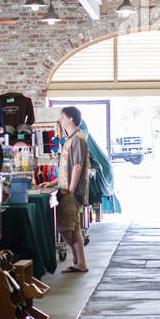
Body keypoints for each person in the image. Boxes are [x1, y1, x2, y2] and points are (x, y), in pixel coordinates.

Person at [57, 106, 89, 272]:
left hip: (71, 192)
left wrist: (70, 190)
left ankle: (79, 261)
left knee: (65, 227)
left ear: (70, 119)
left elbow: (77, 166)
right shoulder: (71, 138)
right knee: (73, 227)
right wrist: (54, 181)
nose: (60, 120)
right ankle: (79, 262)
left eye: (62, 116)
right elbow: (68, 167)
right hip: (66, 188)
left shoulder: (78, 138)